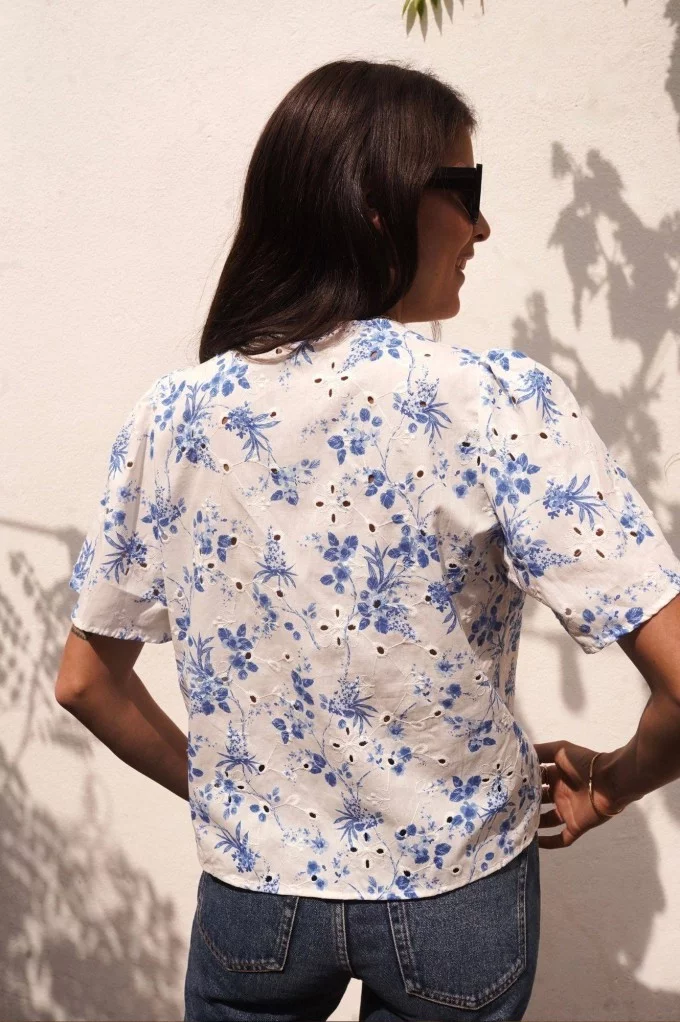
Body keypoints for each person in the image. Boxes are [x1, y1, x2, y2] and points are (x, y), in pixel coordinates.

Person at [55, 58, 680, 1022]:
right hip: (457, 893)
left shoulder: (172, 416)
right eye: (464, 190)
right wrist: (609, 784)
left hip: (254, 905)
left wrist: (241, 812)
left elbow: (84, 682)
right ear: (377, 203)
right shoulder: (493, 403)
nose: (481, 227)